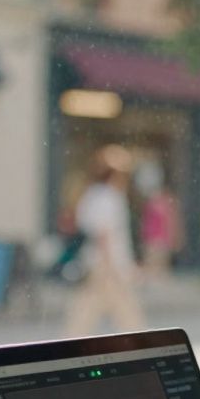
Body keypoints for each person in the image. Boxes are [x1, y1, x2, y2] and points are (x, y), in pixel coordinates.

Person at [64, 144, 146, 336]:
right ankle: (142, 345)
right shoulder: (109, 198)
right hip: (106, 264)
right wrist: (115, 267)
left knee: (88, 309)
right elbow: (105, 236)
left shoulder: (91, 195)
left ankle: (69, 344)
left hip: (94, 261)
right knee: (126, 312)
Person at [135, 159, 183, 280]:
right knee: (153, 270)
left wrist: (174, 238)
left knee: (158, 270)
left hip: (160, 240)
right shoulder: (149, 200)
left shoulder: (166, 200)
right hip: (151, 240)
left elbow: (172, 221)